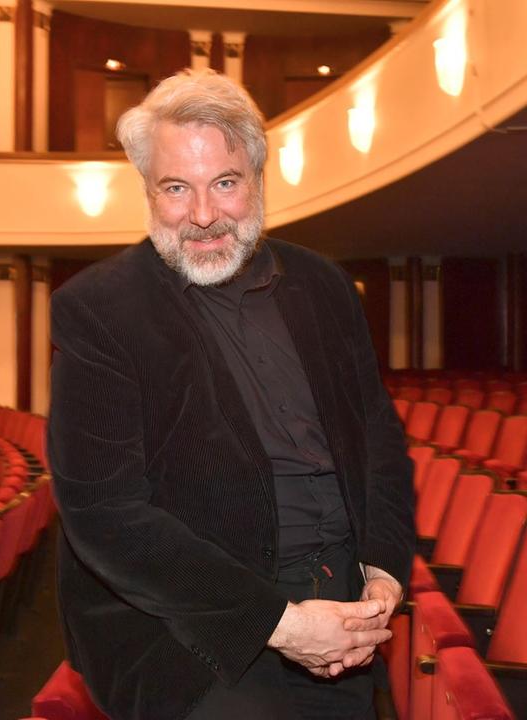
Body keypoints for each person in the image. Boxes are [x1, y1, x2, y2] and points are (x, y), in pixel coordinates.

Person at [48, 69, 414, 720]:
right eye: (176, 188)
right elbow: (103, 512)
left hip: (344, 609)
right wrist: (281, 624)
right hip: (191, 636)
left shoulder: (324, 286)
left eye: (224, 182)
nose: (203, 215)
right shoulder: (98, 309)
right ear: (147, 190)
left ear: (258, 179)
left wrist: (383, 567)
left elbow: (377, 436)